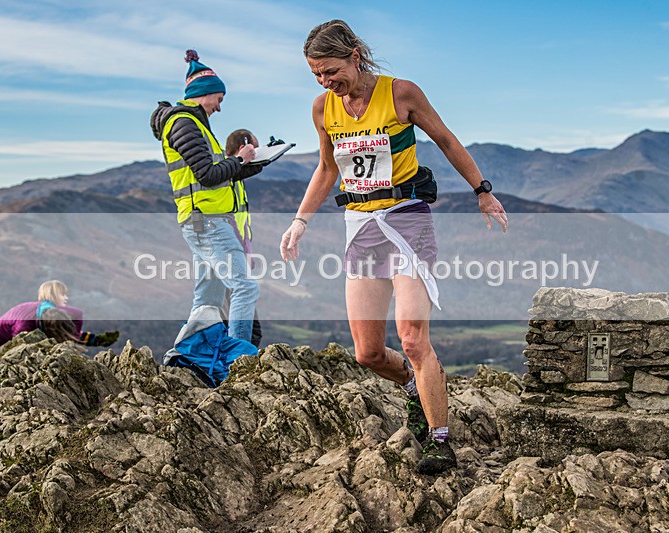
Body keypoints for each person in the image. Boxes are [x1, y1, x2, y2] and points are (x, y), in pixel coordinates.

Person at [280, 20, 508, 476]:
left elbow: (445, 139)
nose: (327, 82)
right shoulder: (323, 109)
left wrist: (482, 189)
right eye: (317, 76)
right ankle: (411, 389)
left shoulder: (401, 93)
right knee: (367, 353)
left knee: (411, 337)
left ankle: (439, 438)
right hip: (360, 227)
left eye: (331, 71)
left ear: (355, 56)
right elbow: (327, 168)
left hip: (407, 221)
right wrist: (300, 221)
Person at [150, 50, 264, 343]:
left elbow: (220, 176)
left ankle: (186, 356)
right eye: (220, 100)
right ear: (207, 93)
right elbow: (208, 174)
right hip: (208, 223)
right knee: (245, 287)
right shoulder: (183, 124)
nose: (219, 108)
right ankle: (238, 358)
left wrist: (256, 162)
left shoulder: (195, 125)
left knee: (208, 302)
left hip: (205, 222)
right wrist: (239, 160)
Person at [0, 280, 119, 351]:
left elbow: (63, 331)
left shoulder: (48, 315)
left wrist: (97, 340)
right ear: (53, 295)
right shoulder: (27, 322)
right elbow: (18, 347)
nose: (66, 298)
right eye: (63, 294)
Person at [225, 129, 262, 348]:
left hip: (239, 261)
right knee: (249, 332)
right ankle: (233, 366)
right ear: (243, 148)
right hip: (229, 261)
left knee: (254, 333)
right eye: (254, 152)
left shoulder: (236, 178)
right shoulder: (225, 176)